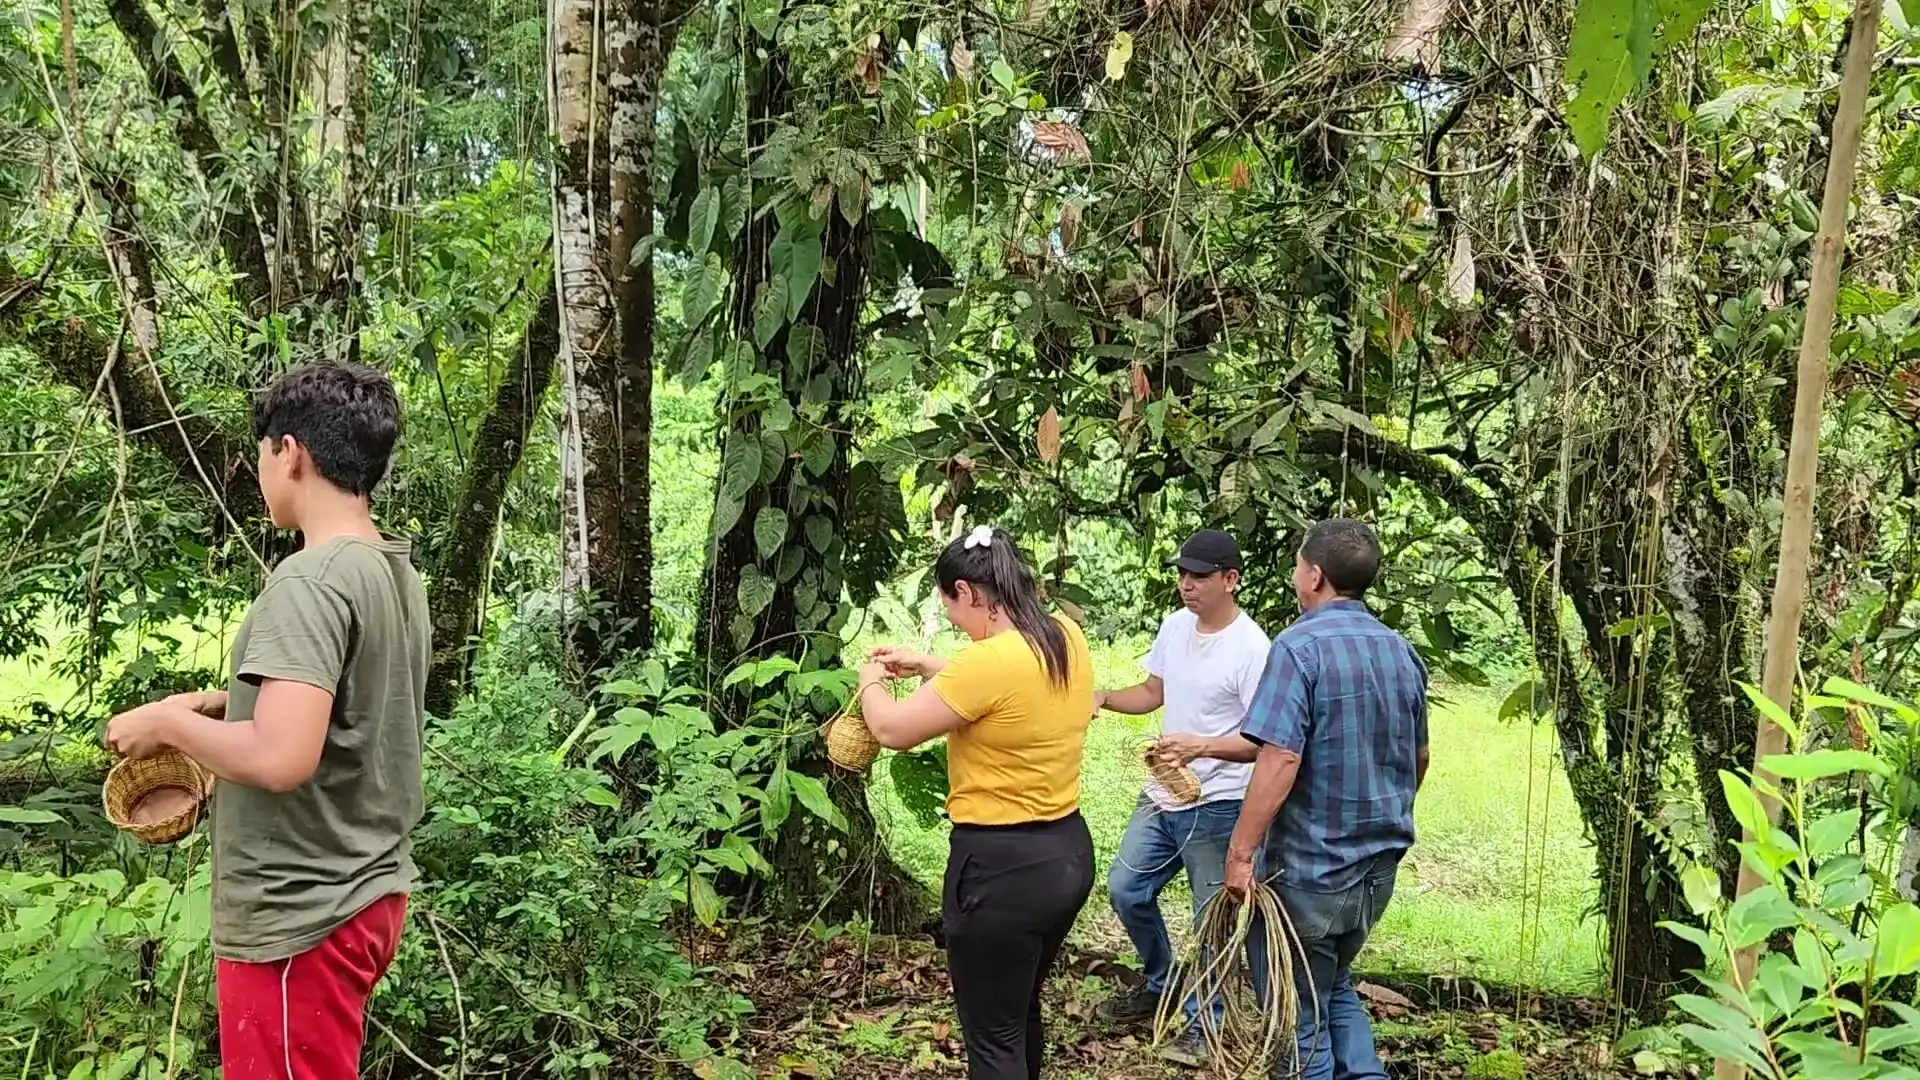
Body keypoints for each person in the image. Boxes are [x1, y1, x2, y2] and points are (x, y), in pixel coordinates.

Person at [105, 362, 429, 1080]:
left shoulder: (309, 582)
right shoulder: (389, 570)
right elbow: (357, 706)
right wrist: (233, 704)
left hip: (300, 912)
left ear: (290, 453)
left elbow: (283, 758)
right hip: (365, 890)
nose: (260, 472)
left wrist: (166, 722)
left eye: (260, 454)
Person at [859, 524, 1095, 1080]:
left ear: (968, 592)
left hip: (998, 872)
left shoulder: (984, 663)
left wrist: (870, 679)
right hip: (1065, 855)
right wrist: (928, 664)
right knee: (1015, 1011)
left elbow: (892, 729)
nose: (954, 624)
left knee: (992, 1040)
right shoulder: (1063, 634)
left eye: (951, 610)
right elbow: (1007, 687)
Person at [1222, 519, 1429, 1080]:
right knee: (1331, 981)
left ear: (1313, 576)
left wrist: (1240, 855)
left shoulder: (1298, 646)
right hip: (1376, 870)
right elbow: (1420, 759)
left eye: (1296, 565)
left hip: (1312, 871)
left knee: (1296, 1018)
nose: (1295, 575)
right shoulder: (1400, 650)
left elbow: (1280, 757)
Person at [1093, 529, 1271, 1069]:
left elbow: (1263, 740)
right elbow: (1153, 692)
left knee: (1210, 920)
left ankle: (1206, 1025)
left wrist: (1202, 746)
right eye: (1182, 574)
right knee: (1125, 889)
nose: (1186, 585)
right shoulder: (1175, 627)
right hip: (1164, 791)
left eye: (1199, 576)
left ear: (1230, 580)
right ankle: (1161, 984)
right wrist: (1100, 696)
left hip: (1219, 802)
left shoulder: (1253, 649)